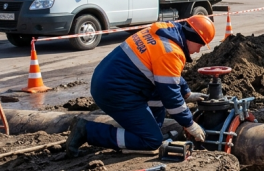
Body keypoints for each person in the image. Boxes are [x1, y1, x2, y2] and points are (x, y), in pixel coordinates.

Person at [64, 15, 215, 156]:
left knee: (156, 113)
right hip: (115, 91)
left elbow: (167, 74)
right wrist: (190, 124)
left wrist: (186, 93)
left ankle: (144, 129)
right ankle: (86, 131)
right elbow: (171, 98)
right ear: (193, 37)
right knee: (151, 140)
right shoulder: (170, 51)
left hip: (110, 80)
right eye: (200, 45)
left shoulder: (167, 33)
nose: (198, 50)